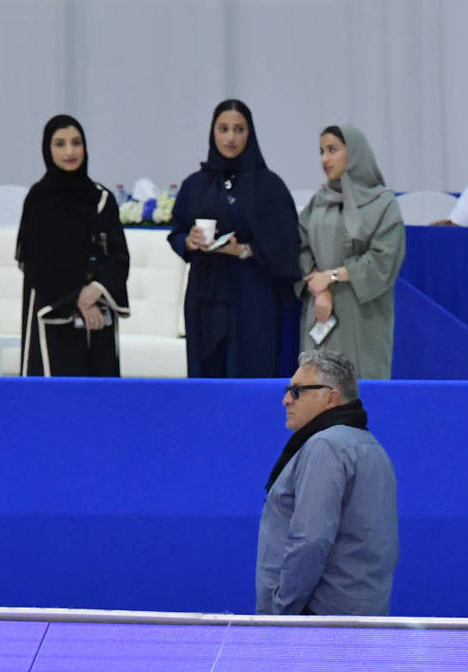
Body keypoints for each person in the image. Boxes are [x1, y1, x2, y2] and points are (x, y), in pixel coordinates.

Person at [257, 350, 399, 616]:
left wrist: (281, 611)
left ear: (331, 397)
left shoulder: (326, 447)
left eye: (297, 391)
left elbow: (311, 540)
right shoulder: (372, 448)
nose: (286, 399)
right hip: (360, 616)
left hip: (316, 624)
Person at [169, 99, 300, 379]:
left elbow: (287, 244)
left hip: (253, 297)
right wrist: (189, 241)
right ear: (212, 132)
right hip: (206, 296)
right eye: (223, 128)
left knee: (251, 372)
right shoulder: (196, 184)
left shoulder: (269, 186)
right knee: (208, 376)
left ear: (249, 134)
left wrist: (244, 250)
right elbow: (176, 231)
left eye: (239, 129)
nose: (230, 138)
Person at [15, 115, 130, 378]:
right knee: (54, 398)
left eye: (76, 143)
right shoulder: (39, 200)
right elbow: (35, 260)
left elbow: (118, 255)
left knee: (98, 398)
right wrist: (77, 298)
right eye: (60, 144)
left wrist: (96, 289)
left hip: (98, 314)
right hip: (52, 309)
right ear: (47, 149)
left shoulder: (101, 198)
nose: (70, 152)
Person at [298, 125, 406, 380]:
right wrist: (319, 287)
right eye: (322, 151)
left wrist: (334, 276)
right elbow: (300, 246)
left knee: (361, 387)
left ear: (355, 153)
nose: (325, 159)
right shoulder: (319, 201)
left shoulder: (383, 203)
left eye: (333, 150)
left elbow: (384, 259)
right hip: (321, 310)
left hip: (363, 314)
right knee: (318, 387)